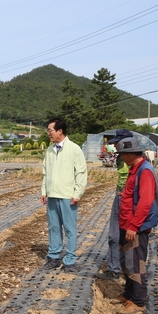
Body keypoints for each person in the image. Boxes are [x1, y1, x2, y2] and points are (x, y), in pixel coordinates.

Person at [112, 137, 158, 314]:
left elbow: (145, 202)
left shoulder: (145, 171)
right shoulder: (135, 169)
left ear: (130, 154)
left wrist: (134, 226)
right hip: (126, 223)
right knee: (126, 262)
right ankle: (128, 293)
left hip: (135, 226)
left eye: (122, 154)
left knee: (135, 262)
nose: (120, 157)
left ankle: (138, 300)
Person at [40, 117, 88, 272]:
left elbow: (81, 173)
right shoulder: (50, 150)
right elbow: (45, 172)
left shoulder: (74, 149)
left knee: (69, 228)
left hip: (68, 196)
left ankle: (70, 260)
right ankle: (53, 257)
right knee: (54, 227)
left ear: (60, 131)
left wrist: (77, 193)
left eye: (50, 130)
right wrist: (44, 190)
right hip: (52, 195)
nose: (48, 133)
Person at [95, 129, 133, 280]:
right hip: (120, 197)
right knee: (114, 235)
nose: (115, 146)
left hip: (130, 200)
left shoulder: (136, 160)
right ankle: (114, 268)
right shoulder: (120, 158)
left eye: (117, 143)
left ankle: (127, 269)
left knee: (129, 237)